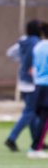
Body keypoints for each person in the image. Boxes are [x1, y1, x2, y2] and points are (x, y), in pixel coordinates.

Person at [4, 19, 41, 152]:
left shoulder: (23, 42)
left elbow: (10, 52)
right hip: (32, 83)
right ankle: (11, 138)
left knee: (32, 113)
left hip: (23, 81)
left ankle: (36, 140)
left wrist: (23, 62)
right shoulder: (38, 43)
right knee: (29, 113)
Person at [28, 21, 48, 159]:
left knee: (42, 117)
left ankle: (36, 147)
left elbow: (34, 68)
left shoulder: (38, 46)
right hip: (46, 86)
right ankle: (36, 148)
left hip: (39, 86)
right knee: (44, 119)